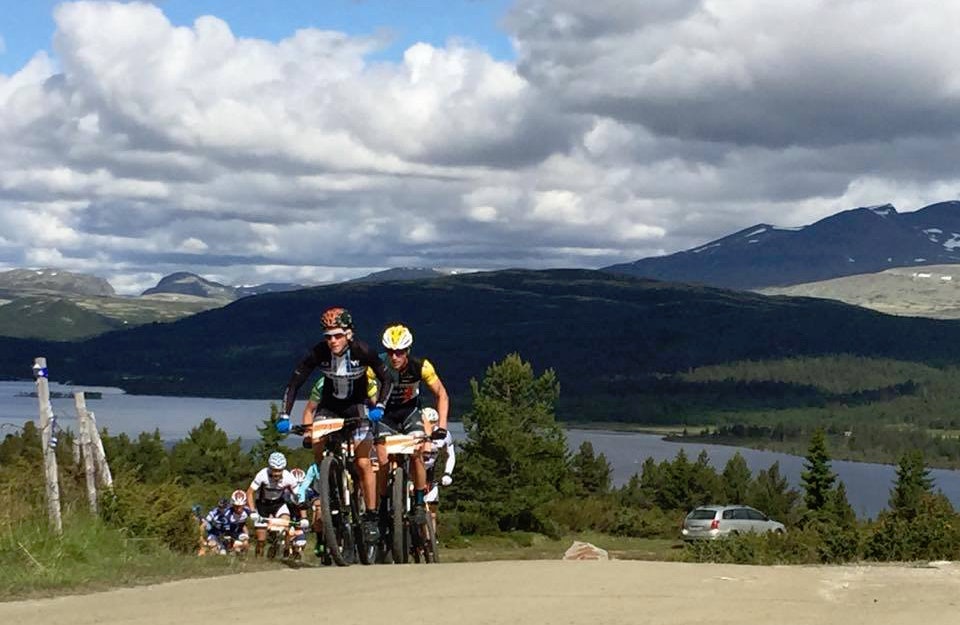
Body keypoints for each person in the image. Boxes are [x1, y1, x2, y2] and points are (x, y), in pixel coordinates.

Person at [279, 306, 394, 546]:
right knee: (317, 441)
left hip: (358, 406)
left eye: (338, 335)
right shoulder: (319, 353)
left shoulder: (362, 351)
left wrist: (380, 406)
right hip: (329, 407)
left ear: (349, 334)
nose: (332, 341)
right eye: (328, 336)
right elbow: (294, 383)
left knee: (363, 463)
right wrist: (284, 414)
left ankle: (371, 516)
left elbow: (387, 379)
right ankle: (328, 479)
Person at [376, 323, 450, 525]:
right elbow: (367, 394)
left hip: (410, 413)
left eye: (399, 352)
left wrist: (442, 426)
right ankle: (382, 505)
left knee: (418, 452)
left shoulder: (421, 366)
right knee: (382, 458)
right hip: (386, 415)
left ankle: (418, 502)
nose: (394, 357)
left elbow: (442, 394)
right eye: (390, 352)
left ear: (407, 351)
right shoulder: (377, 365)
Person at [246, 451, 301, 557]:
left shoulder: (288, 477)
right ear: (270, 468)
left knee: (286, 523)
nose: (276, 473)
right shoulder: (262, 475)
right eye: (274, 470)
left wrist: (299, 503)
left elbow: (298, 494)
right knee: (261, 539)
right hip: (262, 505)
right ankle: (259, 560)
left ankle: (285, 549)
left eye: (279, 470)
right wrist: (252, 510)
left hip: (278, 504)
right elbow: (249, 493)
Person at [422, 407, 456, 530]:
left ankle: (431, 541)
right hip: (413, 473)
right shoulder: (415, 433)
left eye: (432, 423)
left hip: (431, 474)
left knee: (432, 513)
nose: (429, 426)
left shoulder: (443, 435)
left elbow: (451, 454)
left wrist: (447, 473)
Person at [222, 489, 253, 555]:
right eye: (236, 506)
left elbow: (256, 517)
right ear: (232, 504)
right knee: (230, 550)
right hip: (229, 533)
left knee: (245, 543)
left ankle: (243, 559)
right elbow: (225, 529)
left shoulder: (247, 510)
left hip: (239, 532)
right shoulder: (227, 513)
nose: (238, 509)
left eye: (240, 506)